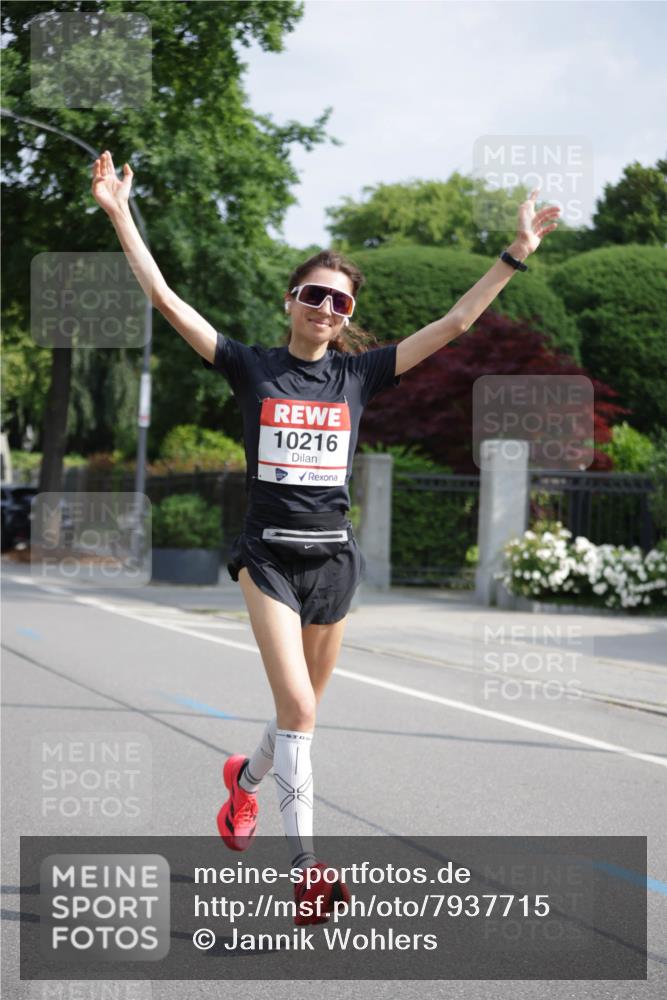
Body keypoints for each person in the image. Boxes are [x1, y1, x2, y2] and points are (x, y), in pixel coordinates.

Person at [92, 149, 560, 924]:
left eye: (338, 302)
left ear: (346, 315)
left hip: (334, 564)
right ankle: (307, 871)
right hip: (268, 559)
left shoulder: (359, 376)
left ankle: (244, 783)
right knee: (301, 713)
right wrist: (119, 212)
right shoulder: (249, 367)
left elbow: (454, 323)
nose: (325, 308)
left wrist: (513, 254)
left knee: (298, 713)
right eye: (313, 295)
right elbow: (167, 299)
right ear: (290, 300)